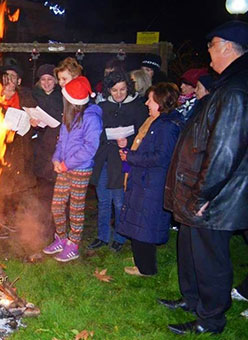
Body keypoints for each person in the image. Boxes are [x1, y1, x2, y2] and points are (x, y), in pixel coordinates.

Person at [161, 21, 248, 335]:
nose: (208, 51)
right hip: (195, 189)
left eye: (211, 45)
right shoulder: (227, 83)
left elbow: (225, 148)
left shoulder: (237, 88)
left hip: (213, 198)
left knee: (210, 259)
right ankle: (192, 299)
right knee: (189, 249)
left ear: (226, 45)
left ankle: (210, 319)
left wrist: (203, 194)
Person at [117, 83, 182, 276]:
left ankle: (146, 268)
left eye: (151, 100)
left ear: (161, 102)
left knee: (144, 226)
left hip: (151, 183)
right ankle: (142, 260)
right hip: (145, 181)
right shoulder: (158, 121)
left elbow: (161, 157)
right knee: (141, 224)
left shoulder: (166, 126)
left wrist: (130, 157)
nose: (147, 103)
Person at [42, 76, 102, 262]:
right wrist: (56, 159)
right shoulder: (69, 115)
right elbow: (61, 142)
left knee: (76, 208)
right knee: (57, 205)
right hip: (64, 168)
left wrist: (67, 164)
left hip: (80, 169)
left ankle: (73, 244)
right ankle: (61, 238)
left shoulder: (91, 118)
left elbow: (90, 148)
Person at [87, 71, 148, 252]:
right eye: (115, 90)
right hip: (104, 158)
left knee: (120, 201)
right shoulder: (103, 106)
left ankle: (120, 237)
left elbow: (142, 134)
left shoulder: (137, 107)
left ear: (128, 88)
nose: (119, 94)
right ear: (109, 90)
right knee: (104, 199)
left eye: (122, 89)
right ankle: (102, 236)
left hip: (123, 160)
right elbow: (96, 129)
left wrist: (127, 142)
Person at [0, 63, 37, 238]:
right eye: (6, 76)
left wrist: (33, 122)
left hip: (20, 147)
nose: (9, 80)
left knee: (18, 185)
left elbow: (35, 118)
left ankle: (13, 220)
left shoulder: (26, 97)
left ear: (19, 80)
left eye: (13, 77)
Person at [31, 64, 63, 238]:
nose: (47, 83)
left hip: (57, 150)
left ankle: (57, 229)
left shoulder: (62, 97)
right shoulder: (33, 97)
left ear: (55, 80)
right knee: (42, 192)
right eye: (43, 79)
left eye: (50, 79)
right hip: (40, 150)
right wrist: (32, 122)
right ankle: (41, 228)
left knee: (57, 194)